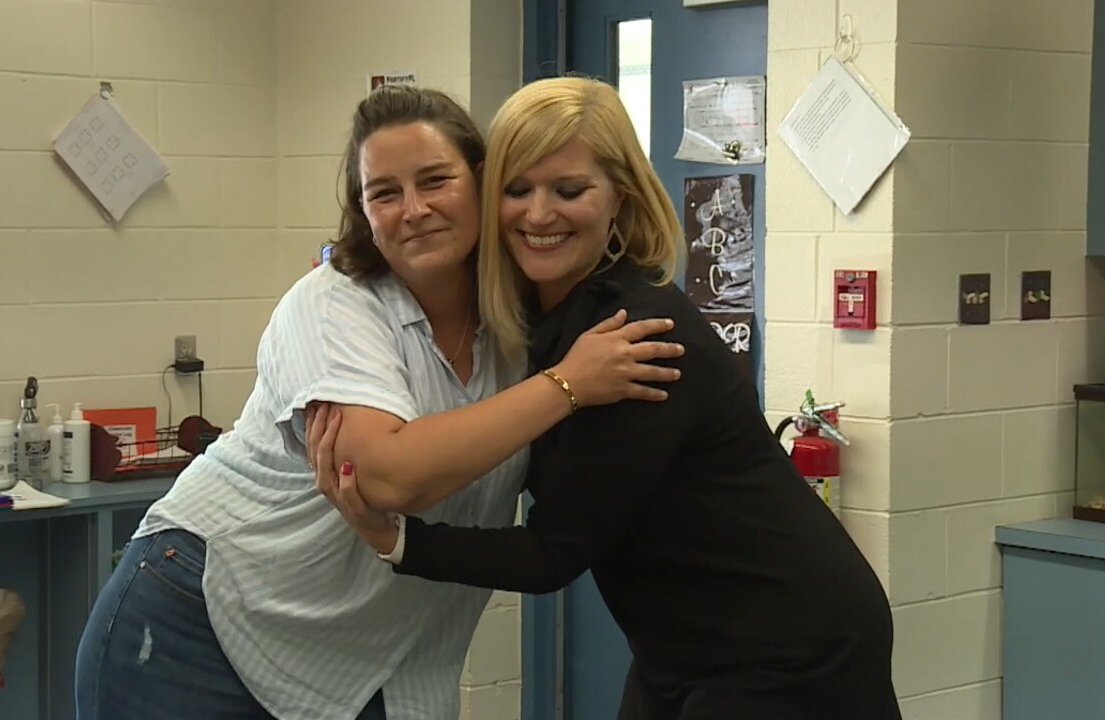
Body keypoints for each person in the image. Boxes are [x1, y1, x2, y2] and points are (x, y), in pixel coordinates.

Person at [72, 84, 684, 720]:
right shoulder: (333, 305)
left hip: (371, 660)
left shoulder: (521, 318)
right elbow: (384, 477)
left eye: (435, 180)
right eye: (384, 193)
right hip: (197, 623)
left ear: (481, 181)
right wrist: (567, 386)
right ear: (363, 211)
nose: (413, 209)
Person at [310, 77, 903, 720]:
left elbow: (551, 553)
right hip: (679, 647)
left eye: (569, 190)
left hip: (791, 646)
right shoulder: (533, 323)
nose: (539, 215)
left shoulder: (635, 337)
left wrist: (395, 540)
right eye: (516, 190)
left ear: (617, 196)